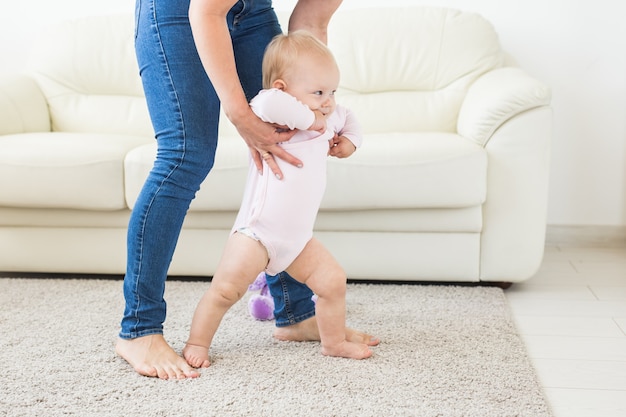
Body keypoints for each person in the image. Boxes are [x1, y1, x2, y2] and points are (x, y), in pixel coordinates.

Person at [116, 0, 378, 380]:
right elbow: (207, 11)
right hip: (181, 9)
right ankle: (139, 329)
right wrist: (242, 116)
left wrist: (319, 97)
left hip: (253, 11)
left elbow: (311, 23)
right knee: (186, 155)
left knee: (288, 141)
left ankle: (296, 314)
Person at [183, 31, 372, 368]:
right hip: (257, 233)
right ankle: (197, 342)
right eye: (317, 92)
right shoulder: (273, 115)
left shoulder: (329, 116)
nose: (327, 101)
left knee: (333, 281)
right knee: (225, 291)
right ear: (285, 89)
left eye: (332, 91)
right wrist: (311, 120)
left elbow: (350, 119)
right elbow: (266, 100)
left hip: (297, 240)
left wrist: (349, 143)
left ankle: (334, 342)